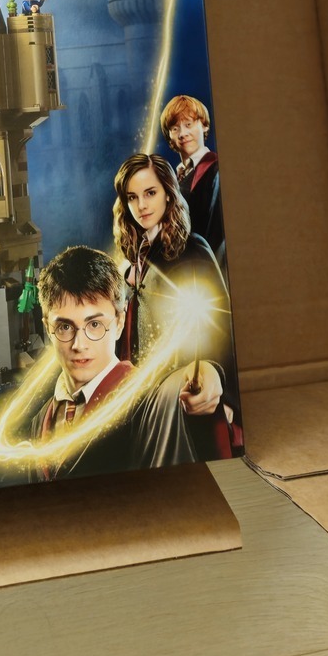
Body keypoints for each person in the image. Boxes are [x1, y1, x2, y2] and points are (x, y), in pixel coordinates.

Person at [26, 246, 223, 480]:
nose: (79, 344)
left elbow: (169, 395)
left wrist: (208, 373)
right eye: (65, 327)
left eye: (94, 325)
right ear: (47, 327)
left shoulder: (144, 398)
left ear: (119, 322)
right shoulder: (39, 421)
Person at [111, 153, 240, 457]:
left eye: (150, 193)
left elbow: (222, 328)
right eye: (132, 197)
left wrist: (222, 389)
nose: (141, 206)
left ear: (168, 194)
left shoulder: (193, 250)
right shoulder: (132, 261)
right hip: (144, 402)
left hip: (189, 397)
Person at [158, 95, 224, 269]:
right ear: (169, 136)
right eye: (175, 128)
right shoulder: (173, 178)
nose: (182, 134)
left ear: (204, 125)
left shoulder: (217, 171)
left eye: (188, 124)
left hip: (207, 269)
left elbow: (218, 236)